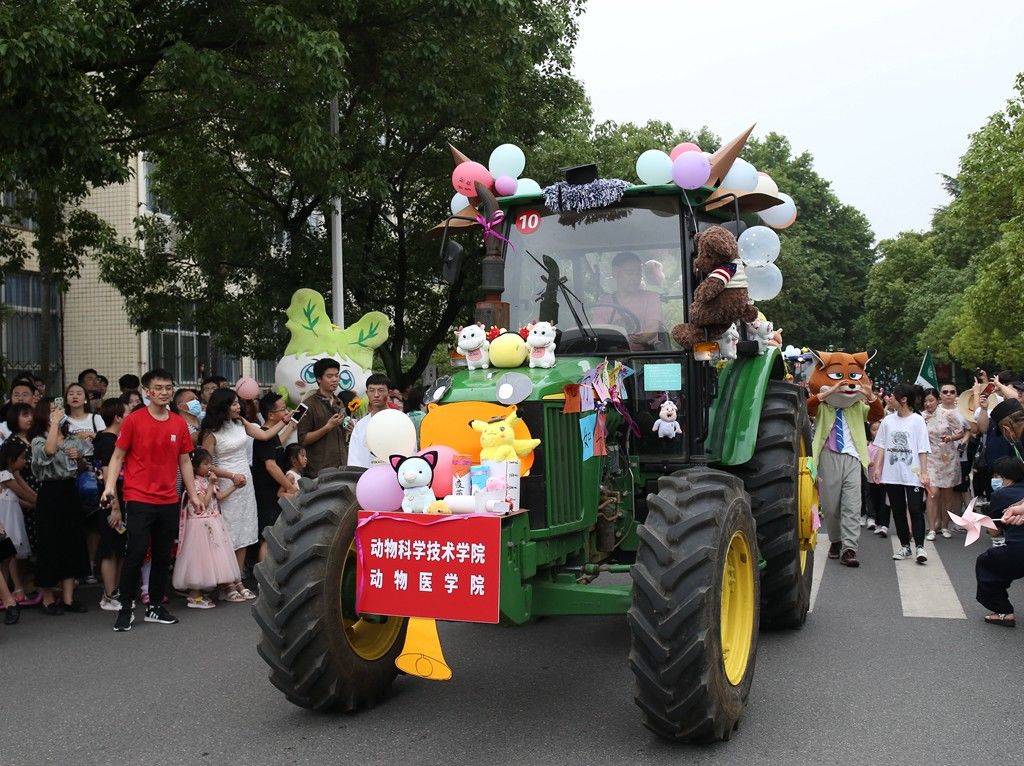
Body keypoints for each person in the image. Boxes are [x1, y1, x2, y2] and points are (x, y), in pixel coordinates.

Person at [102, 368, 204, 631]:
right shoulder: (134, 421)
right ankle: (126, 608)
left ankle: (155, 606)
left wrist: (193, 495)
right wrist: (110, 487)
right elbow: (117, 457)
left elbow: (185, 461)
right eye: (158, 388)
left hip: (168, 498)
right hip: (138, 498)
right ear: (148, 391)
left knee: (161, 556)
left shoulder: (178, 423)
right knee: (135, 553)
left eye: (168, 388)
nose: (163, 392)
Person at [200, 388, 290, 600]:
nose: (237, 407)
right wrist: (231, 475)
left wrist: (285, 420)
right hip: (226, 482)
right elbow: (206, 466)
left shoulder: (240, 422)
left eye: (237, 403)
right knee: (229, 533)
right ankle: (227, 583)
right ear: (221, 407)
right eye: (232, 404)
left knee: (245, 531)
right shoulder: (211, 433)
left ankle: (238, 579)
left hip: (245, 483)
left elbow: (265, 434)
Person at [30, 399, 93, 614]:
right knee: (49, 543)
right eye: (51, 411)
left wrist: (80, 459)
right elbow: (48, 451)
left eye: (58, 410)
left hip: (69, 492)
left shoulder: (72, 438)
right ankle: (48, 598)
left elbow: (81, 466)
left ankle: (68, 598)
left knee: (72, 542)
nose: (56, 413)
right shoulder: (38, 440)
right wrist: (55, 424)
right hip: (49, 493)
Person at [172, 448, 241, 609]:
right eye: (205, 464)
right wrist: (210, 484)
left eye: (210, 463)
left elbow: (219, 497)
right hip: (199, 524)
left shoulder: (207, 480)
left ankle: (200, 593)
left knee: (211, 558)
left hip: (212, 521)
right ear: (195, 467)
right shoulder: (194, 483)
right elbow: (202, 502)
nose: (209, 466)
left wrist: (234, 487)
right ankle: (194, 594)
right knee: (199, 559)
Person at [872, 383, 931, 564]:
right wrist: (877, 467)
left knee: (915, 508)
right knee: (897, 511)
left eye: (893, 396)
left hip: (913, 472)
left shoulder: (917, 420)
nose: (889, 398)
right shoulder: (887, 421)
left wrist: (924, 472)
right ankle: (905, 546)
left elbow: (922, 448)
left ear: (903, 400)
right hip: (892, 473)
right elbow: (881, 445)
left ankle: (920, 547)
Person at [974, 456, 1024, 627]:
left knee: (987, 562)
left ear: (1004, 476)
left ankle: (1003, 611)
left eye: (996, 476)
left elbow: (995, 531)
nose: (995, 480)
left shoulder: (1001, 495)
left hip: (1019, 550)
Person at [252, 392, 296, 563]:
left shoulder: (271, 434)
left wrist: (291, 427)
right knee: (268, 536)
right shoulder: (263, 436)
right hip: (267, 495)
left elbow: (278, 444)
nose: (286, 413)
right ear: (270, 414)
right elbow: (271, 465)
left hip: (274, 492)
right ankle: (264, 577)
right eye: (283, 410)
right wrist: (289, 487)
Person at [93, 398, 128, 611]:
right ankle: (109, 594)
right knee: (109, 548)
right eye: (128, 413)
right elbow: (108, 476)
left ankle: (114, 591)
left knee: (118, 548)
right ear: (117, 417)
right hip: (110, 501)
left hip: (121, 499)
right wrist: (114, 507)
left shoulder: (113, 438)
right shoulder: (107, 441)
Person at [592, 251, 665, 351]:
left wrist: (640, 338)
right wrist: (624, 344)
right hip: (613, 358)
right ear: (615, 273)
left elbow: (652, 329)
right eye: (630, 273)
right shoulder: (604, 303)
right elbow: (598, 333)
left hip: (646, 356)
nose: (635, 278)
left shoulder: (652, 298)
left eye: (638, 273)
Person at [922, 387, 968, 540]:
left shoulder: (948, 415)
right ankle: (932, 529)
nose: (928, 404)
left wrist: (951, 438)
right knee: (933, 493)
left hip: (948, 458)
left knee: (948, 495)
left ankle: (944, 526)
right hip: (930, 459)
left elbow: (961, 432)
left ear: (937, 400)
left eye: (931, 400)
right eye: (925, 401)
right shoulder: (921, 417)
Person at [297, 358, 349, 476]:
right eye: (329, 376)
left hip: (341, 466)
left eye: (337, 375)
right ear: (319, 379)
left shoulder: (339, 402)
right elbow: (302, 439)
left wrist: (349, 428)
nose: (335, 379)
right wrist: (327, 427)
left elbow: (343, 432)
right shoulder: (305, 404)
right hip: (319, 470)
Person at [0, 440, 31, 599]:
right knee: (9, 555)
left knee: (9, 557)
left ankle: (10, 589)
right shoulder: (5, 476)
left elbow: (19, 500)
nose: (24, 461)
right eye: (22, 458)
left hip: (11, 518)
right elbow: (24, 494)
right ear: (11, 460)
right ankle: (17, 588)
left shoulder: (9, 476)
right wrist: (41, 501)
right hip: (7, 521)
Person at [347, 373, 393, 469]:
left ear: (389, 392)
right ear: (367, 392)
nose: (376, 395)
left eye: (381, 390)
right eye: (372, 390)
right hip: (366, 478)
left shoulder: (400, 421)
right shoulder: (360, 426)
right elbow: (354, 459)